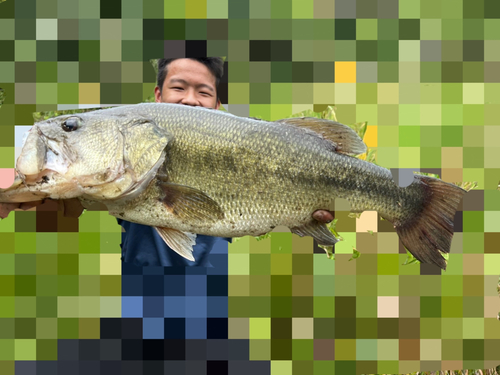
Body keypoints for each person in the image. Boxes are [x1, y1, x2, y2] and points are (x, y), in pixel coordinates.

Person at [0, 57, 334, 265]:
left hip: (215, 297)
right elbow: (63, 210)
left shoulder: (235, 146)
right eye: (179, 88)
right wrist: (11, 193)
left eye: (204, 92)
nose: (190, 99)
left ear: (218, 104)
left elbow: (266, 209)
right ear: (158, 96)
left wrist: (306, 215)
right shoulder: (122, 168)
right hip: (141, 296)